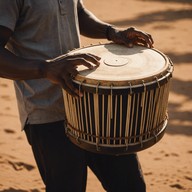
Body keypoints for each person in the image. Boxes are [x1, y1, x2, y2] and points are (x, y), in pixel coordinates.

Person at [0, 0, 154, 191]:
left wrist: (111, 32)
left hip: (92, 103)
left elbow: (78, 12)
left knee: (130, 185)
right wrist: (45, 68)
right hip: (47, 112)